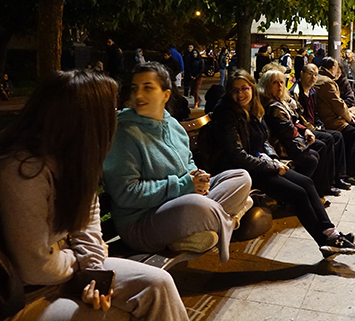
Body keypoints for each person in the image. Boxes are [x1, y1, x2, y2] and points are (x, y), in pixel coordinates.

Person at [0, 70, 188, 321]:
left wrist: (94, 275)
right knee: (99, 317)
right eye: (109, 111)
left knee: (158, 285)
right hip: (20, 295)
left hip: (64, 270)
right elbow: (36, 268)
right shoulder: (23, 173)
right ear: (85, 120)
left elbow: (88, 225)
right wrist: (79, 264)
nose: (116, 116)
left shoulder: (75, 161)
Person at [103, 62, 252, 263]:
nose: (139, 95)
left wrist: (198, 177)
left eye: (147, 88)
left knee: (241, 178)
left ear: (165, 95)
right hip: (142, 222)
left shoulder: (173, 125)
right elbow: (126, 193)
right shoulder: (124, 134)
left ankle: (197, 230)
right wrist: (184, 186)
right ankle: (229, 220)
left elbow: (188, 163)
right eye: (135, 88)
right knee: (198, 205)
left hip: (180, 203)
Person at [209, 69, 355, 260]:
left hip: (257, 163)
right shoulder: (226, 113)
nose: (239, 94)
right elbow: (237, 155)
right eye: (234, 90)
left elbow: (263, 140)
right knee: (297, 193)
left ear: (252, 89)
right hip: (240, 172)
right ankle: (325, 241)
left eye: (244, 88)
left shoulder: (252, 108)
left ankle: (331, 234)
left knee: (306, 183)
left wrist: (272, 158)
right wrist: (273, 166)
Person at [258, 69, 338, 198]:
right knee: (314, 154)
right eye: (275, 83)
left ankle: (320, 189)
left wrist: (304, 130)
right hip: (280, 144)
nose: (279, 86)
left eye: (281, 83)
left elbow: (296, 118)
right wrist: (300, 132)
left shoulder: (281, 99)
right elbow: (287, 130)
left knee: (327, 141)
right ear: (267, 85)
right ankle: (306, 192)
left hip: (292, 138)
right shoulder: (271, 104)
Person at [291, 64, 352, 191]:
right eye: (310, 74)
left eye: (315, 74)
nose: (313, 77)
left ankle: (338, 177)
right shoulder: (295, 92)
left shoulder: (312, 91)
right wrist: (311, 128)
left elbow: (316, 113)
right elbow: (297, 117)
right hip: (304, 129)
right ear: (301, 74)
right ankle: (325, 185)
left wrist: (320, 125)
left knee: (338, 136)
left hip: (314, 126)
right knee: (328, 140)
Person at [316, 58, 355, 186]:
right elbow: (338, 104)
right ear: (332, 68)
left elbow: (346, 99)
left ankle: (350, 170)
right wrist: (349, 116)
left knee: (354, 132)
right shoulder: (326, 82)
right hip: (330, 121)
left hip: (328, 118)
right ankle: (353, 174)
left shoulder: (325, 80)